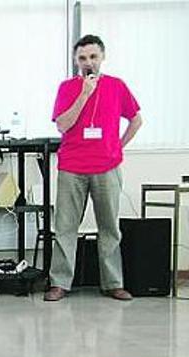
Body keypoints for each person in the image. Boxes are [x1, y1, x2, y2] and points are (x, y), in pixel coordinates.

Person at [44, 34, 142, 302]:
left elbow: (136, 120)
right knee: (65, 227)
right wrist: (84, 94)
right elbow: (63, 125)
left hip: (107, 166)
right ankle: (60, 283)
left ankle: (113, 283)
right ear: (76, 61)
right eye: (83, 58)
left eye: (93, 57)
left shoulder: (117, 86)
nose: (88, 62)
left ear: (102, 57)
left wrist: (118, 147)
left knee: (109, 226)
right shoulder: (67, 87)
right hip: (72, 167)